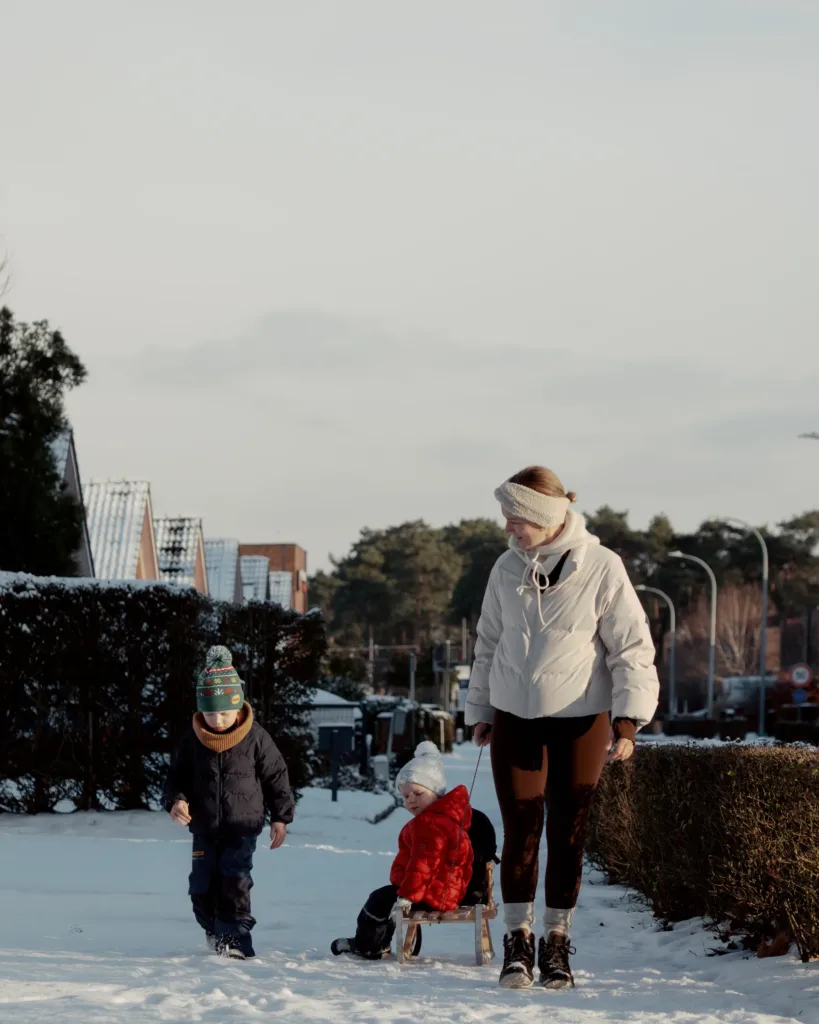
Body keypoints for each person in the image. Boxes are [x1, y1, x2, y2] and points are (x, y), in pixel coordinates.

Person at [465, 466, 659, 990]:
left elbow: (631, 647)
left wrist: (627, 720)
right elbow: (488, 642)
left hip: (581, 721)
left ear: (543, 516)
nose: (508, 527)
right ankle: (518, 941)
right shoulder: (506, 567)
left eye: (515, 518)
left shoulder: (602, 566)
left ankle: (556, 942)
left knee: (568, 835)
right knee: (520, 830)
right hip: (514, 717)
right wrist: (481, 710)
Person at [163, 645, 294, 959]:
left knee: (235, 881)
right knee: (201, 887)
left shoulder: (256, 737)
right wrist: (176, 801)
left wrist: (280, 817)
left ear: (238, 706)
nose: (218, 720)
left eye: (224, 712)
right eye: (210, 713)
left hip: (242, 827)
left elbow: (277, 776)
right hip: (204, 828)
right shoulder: (193, 739)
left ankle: (235, 940)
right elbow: (176, 777)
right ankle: (216, 931)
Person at [331, 741, 473, 960]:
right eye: (406, 796)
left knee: (380, 899)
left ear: (435, 792)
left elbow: (424, 863)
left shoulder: (430, 824)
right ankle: (379, 941)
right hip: (441, 889)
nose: (411, 800)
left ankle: (367, 945)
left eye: (418, 793)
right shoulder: (443, 819)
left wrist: (408, 894)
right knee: (388, 898)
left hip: (430, 891)